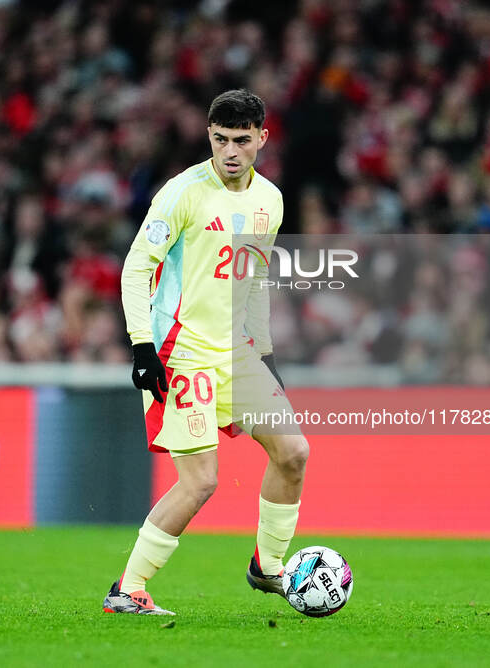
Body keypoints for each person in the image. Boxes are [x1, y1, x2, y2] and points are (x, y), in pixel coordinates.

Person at [103, 89, 309, 615]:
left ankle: (269, 568)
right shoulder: (182, 193)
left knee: (293, 452)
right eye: (221, 140)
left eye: (242, 140)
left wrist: (264, 352)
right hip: (183, 352)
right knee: (201, 483)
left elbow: (254, 279)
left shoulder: (271, 200)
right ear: (209, 137)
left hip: (238, 354)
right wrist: (141, 346)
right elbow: (135, 268)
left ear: (263, 138)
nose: (231, 152)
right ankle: (128, 590)